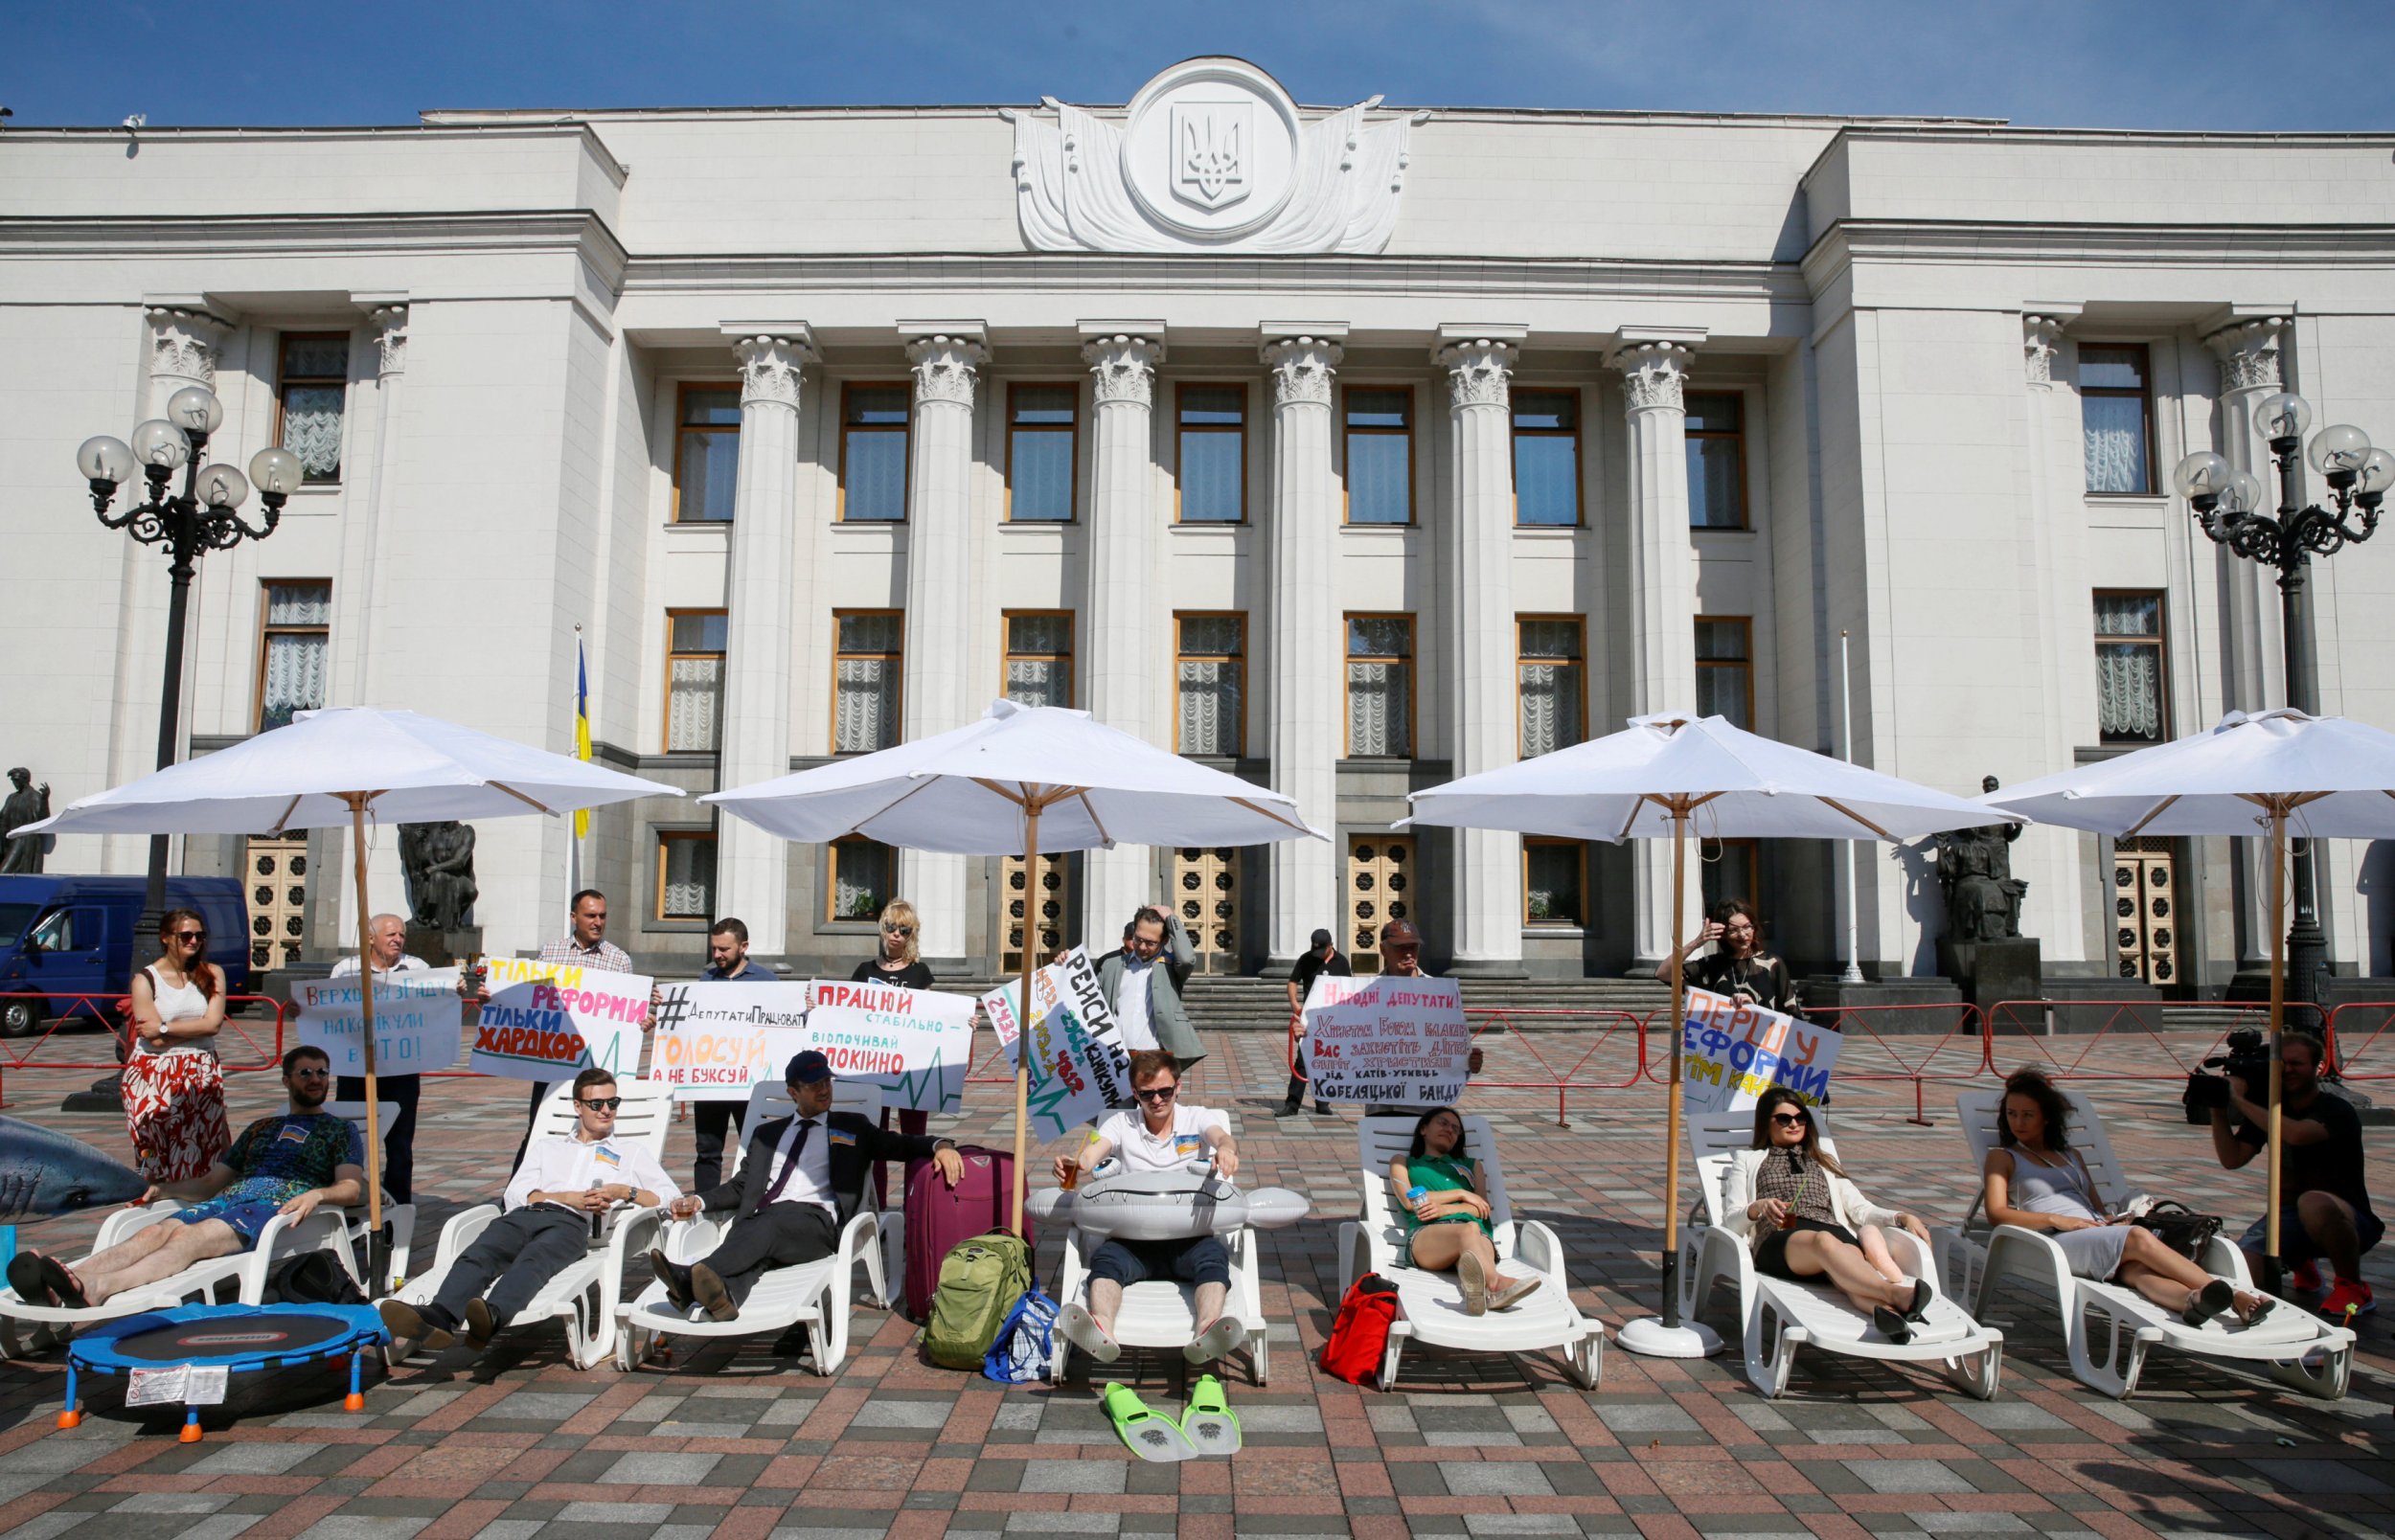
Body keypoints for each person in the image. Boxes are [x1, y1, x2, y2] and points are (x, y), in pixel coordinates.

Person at [9, 1047, 363, 1309]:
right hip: (228, 1198)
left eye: (322, 1072)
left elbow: (351, 1188)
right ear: (286, 1080)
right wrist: (163, 1189)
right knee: (154, 1231)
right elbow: (211, 1183)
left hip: (275, 1208)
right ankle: (67, 1281)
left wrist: (317, 1196)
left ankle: (99, 1288)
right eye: (306, 1073)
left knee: (188, 1239)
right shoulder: (261, 1128)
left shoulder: (339, 1130)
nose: (316, 1080)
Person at [377, 1066, 677, 1356]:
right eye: (597, 1103)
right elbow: (515, 1193)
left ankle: (492, 1316)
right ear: (578, 1106)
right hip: (525, 1215)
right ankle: (439, 1316)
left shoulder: (631, 1153)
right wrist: (566, 1196)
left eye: (613, 1103)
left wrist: (623, 1192)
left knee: (536, 1259)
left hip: (571, 1226)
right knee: (481, 1253)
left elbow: (669, 1198)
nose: (606, 1111)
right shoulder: (548, 1147)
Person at [650, 1051, 963, 1322]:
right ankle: (725, 1297)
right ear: (793, 1092)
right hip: (762, 1228)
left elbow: (901, 1144)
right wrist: (699, 1201)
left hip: (817, 1226)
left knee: (769, 1223)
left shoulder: (851, 1127)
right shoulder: (767, 1134)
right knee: (757, 1248)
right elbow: (741, 1186)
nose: (824, 1090)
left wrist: (941, 1145)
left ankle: (688, 1277)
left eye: (827, 1082)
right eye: (814, 1086)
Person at [1986, 1067, 2271, 1327]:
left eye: (2027, 1114)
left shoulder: (2071, 1156)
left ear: (2046, 1117)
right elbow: (1996, 1213)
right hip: (2056, 1240)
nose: (2018, 1122)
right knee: (2137, 1238)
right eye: (2012, 1114)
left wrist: (2115, 1222)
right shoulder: (2003, 1157)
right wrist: (2060, 1220)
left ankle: (2192, 1300)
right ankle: (2236, 1298)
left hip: (2095, 1231)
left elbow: (2097, 1209)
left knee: (2135, 1270)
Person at [1053, 1051, 1246, 1366]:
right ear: (1135, 1093)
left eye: (1164, 1091)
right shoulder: (1121, 1123)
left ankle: (1207, 1330)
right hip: (1133, 1239)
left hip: (1189, 1237)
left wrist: (1225, 1149)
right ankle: (1102, 1329)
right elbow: (1093, 1152)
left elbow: (1222, 1137)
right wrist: (1078, 1164)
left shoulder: (1196, 1117)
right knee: (1105, 1262)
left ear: (1178, 1087)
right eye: (1147, 1094)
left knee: (1213, 1258)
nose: (1157, 1100)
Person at [1722, 1086, 1937, 1344]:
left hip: (1834, 1235)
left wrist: (1902, 1217)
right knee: (1823, 1241)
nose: (1794, 1124)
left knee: (1844, 1268)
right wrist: (1757, 1208)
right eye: (1784, 1119)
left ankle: (1891, 1316)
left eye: (1800, 1118)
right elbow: (1730, 1221)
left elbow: (1861, 1209)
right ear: (1765, 1123)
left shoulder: (1822, 1161)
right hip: (1782, 1238)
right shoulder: (1747, 1160)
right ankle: (1896, 1293)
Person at [2209, 1030, 2381, 1319]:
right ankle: (2302, 1263)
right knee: (2243, 1274)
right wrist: (2218, 1109)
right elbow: (2232, 1158)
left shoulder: (2336, 1109)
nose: (2287, 1070)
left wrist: (2238, 1100)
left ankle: (2353, 1287)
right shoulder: (2270, 1109)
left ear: (2319, 1067)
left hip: (2348, 1219)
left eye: (2296, 1063)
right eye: (2281, 1063)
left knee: (2313, 1203)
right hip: (2287, 1217)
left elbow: (2297, 1134)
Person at [501, 889, 639, 1166]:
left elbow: (628, 1013)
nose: (598, 922)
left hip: (596, 1067)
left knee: (597, 1132)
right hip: (553, 1061)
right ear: (574, 917)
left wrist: (640, 1019)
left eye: (602, 916)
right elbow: (531, 997)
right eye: (590, 916)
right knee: (540, 1130)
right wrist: (497, 996)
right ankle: (516, 1197)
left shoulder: (619, 959)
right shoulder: (551, 952)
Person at [1391, 1106, 1538, 1315]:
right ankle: (1496, 1284)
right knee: (1468, 1230)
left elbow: (1482, 1209)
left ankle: (1476, 1293)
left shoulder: (1472, 1165)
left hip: (1477, 1235)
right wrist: (1461, 1193)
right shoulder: (1404, 1162)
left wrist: (1443, 1208)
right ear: (1423, 1129)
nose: (1450, 1130)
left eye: (1455, 1129)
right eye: (1443, 1123)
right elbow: (1409, 1200)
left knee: (1471, 1236)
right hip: (1429, 1239)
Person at [121, 907, 232, 1183]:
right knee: (155, 1149)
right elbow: (151, 1037)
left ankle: (197, 1213)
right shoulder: (145, 979)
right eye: (185, 935)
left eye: (199, 935)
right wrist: (190, 1029)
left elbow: (213, 1024)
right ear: (166, 938)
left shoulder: (212, 973)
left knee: (203, 1148)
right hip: (154, 1072)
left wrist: (165, 1027)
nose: (193, 941)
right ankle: (159, 1211)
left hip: (200, 1070)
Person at [330, 913, 431, 1204]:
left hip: (401, 1069)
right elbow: (328, 1010)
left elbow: (435, 1005)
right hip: (356, 1069)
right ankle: (353, 1199)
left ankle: (398, 1206)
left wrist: (451, 991)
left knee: (400, 1143)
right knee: (352, 1139)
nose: (398, 939)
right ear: (370, 938)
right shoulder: (346, 970)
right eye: (391, 935)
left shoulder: (417, 968)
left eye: (401, 934)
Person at [854, 898, 935, 1205]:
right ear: (882, 928)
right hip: (874, 1068)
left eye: (904, 929)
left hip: (911, 1069)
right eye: (891, 927)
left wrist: (963, 1021)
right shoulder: (864, 971)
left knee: (915, 1140)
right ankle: (879, 1210)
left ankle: (914, 1211)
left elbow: (933, 1017)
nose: (896, 934)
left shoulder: (920, 972)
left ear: (912, 934)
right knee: (876, 1142)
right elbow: (847, 1012)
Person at [1361, 919, 1482, 1119]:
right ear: (1383, 950)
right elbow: (1348, 1040)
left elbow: (1452, 1043)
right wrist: (1310, 1035)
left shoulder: (1441, 994)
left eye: (1413, 947)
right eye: (1401, 948)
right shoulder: (1366, 994)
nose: (1408, 953)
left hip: (1426, 1105)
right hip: (1382, 1104)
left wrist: (1469, 1061)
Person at [690, 917, 775, 1193]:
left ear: (743, 946)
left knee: (754, 1146)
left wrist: (803, 1008)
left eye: (724, 949)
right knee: (707, 1149)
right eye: (714, 948)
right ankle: (704, 1206)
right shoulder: (706, 979)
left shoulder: (767, 981)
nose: (717, 955)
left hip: (748, 1080)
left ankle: (751, 1201)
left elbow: (783, 1023)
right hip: (710, 1078)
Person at [1095, 907, 1205, 1072]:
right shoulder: (1112, 965)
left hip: (1156, 1057)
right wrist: (1065, 966)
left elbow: (1187, 959)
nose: (1142, 947)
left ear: (1164, 940)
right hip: (1115, 1058)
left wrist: (1171, 918)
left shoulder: (1170, 967)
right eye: (1138, 939)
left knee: (1154, 1098)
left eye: (1151, 943)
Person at [1674, 898, 1803, 1017]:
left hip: (1762, 1040)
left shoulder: (1773, 963)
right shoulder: (1712, 964)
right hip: (1722, 1039)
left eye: (1747, 927)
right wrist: (1696, 943)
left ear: (1754, 927)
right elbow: (1664, 973)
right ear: (1723, 934)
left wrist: (1754, 1010)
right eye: (1733, 930)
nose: (1742, 935)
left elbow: (1792, 1014)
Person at [1280, 928, 1348, 1116]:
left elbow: (1348, 988)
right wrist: (1295, 1005)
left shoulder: (1341, 962)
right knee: (1302, 1061)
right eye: (1314, 949)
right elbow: (1293, 981)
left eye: (1320, 950)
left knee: (1325, 1061)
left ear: (1330, 946)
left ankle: (1322, 1102)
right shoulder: (1306, 959)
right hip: (1309, 1020)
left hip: (1332, 1019)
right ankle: (1292, 1104)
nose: (1316, 953)